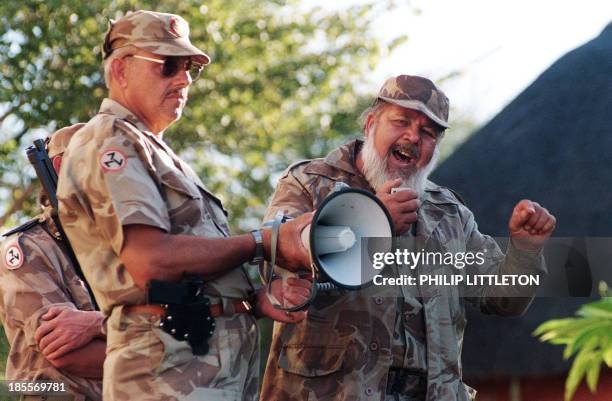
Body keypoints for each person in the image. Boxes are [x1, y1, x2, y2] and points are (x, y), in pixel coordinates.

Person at [56, 10, 312, 401]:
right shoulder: (112, 141)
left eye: (190, 67)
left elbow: (191, 278)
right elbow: (151, 262)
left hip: (201, 373)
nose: (185, 79)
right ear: (121, 70)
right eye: (168, 65)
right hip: (166, 377)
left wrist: (250, 302)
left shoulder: (153, 149)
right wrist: (263, 242)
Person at [259, 75, 556, 401]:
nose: (413, 136)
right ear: (371, 123)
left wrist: (524, 250)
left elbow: (504, 299)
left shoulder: (450, 214)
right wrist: (373, 222)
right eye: (401, 121)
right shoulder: (310, 183)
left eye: (428, 133)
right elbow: (275, 259)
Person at [0, 124, 104, 401]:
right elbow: (68, 354)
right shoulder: (27, 248)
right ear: (59, 166)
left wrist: (99, 323)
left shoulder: (125, 246)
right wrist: (158, 351)